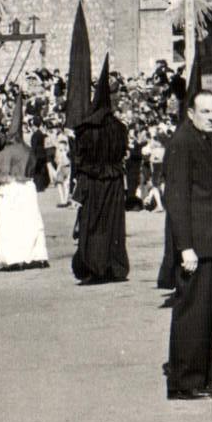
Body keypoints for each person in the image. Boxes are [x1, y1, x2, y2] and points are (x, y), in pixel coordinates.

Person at [162, 88, 212, 400]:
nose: (211, 118)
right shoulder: (182, 143)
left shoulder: (210, 141)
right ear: (190, 113)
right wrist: (185, 246)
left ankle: (199, 374)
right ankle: (183, 381)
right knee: (191, 310)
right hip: (196, 244)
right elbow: (176, 198)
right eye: (205, 112)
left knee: (209, 309)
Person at [71, 57, 129, 285]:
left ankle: (93, 266)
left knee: (93, 223)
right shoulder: (119, 128)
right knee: (112, 224)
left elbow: (81, 158)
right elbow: (121, 153)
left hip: (93, 181)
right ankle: (112, 266)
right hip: (113, 180)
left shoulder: (87, 129)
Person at [0, 93, 50, 271]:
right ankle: (37, 256)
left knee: (9, 225)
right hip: (28, 187)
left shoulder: (5, 153)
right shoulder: (28, 150)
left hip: (10, 188)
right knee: (31, 222)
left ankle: (14, 258)